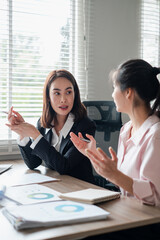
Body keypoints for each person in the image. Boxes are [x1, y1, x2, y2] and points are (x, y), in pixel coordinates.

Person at [70, 59, 160, 239]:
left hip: (147, 224)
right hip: (128, 213)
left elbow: (154, 196)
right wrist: (92, 154)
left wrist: (115, 175)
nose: (112, 94)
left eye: (114, 88)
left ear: (128, 93)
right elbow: (124, 182)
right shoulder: (127, 130)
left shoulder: (155, 134)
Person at [6, 69, 96, 184]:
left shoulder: (85, 126)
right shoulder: (43, 123)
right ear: (48, 97)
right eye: (57, 93)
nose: (63, 99)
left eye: (68, 92)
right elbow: (33, 163)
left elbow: (65, 166)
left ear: (75, 94)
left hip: (81, 189)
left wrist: (36, 135)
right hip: (57, 186)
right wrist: (23, 134)